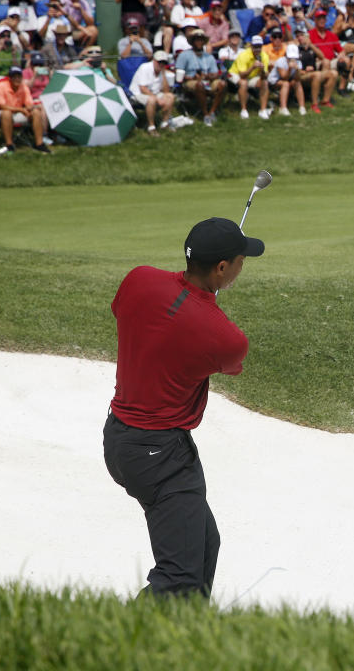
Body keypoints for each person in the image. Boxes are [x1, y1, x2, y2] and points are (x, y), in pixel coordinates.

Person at [104, 217, 265, 600]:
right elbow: (230, 364)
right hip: (161, 455)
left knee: (205, 542)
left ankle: (186, 639)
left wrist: (202, 302)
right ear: (222, 268)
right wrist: (207, 311)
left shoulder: (138, 278)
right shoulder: (227, 337)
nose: (244, 266)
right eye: (242, 260)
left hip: (120, 439)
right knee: (178, 578)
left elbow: (141, 316)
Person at [0, 66, 51, 156]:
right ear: (9, 78)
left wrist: (29, 108)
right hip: (1, 112)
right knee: (6, 113)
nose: (17, 79)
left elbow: (29, 103)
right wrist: (21, 109)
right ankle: (9, 145)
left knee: (36, 112)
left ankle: (39, 144)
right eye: (14, 77)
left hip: (18, 112)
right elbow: (2, 106)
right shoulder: (1, 86)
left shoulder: (24, 87)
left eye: (19, 76)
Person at [177, 29, 227, 126]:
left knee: (222, 84)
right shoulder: (184, 55)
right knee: (199, 85)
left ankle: (212, 111)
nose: (199, 42)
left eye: (201, 40)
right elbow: (179, 74)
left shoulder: (209, 57)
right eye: (197, 40)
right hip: (191, 81)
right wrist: (191, 77)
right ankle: (205, 114)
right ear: (193, 42)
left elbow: (215, 73)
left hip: (207, 80)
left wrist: (209, 76)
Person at [129, 50, 176, 136]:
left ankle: (165, 123)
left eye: (163, 63)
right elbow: (143, 88)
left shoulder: (161, 71)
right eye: (159, 62)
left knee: (170, 96)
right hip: (138, 94)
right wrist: (158, 99)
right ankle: (151, 127)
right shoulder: (145, 67)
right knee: (152, 100)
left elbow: (166, 91)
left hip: (153, 93)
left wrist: (164, 74)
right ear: (154, 61)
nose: (161, 64)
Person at [229, 34, 272, 119]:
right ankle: (244, 110)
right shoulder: (243, 55)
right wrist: (253, 67)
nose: (258, 49)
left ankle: (263, 110)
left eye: (259, 46)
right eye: (255, 46)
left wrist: (263, 70)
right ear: (251, 46)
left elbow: (264, 77)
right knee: (243, 83)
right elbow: (242, 75)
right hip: (235, 74)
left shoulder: (264, 56)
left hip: (251, 76)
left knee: (265, 83)